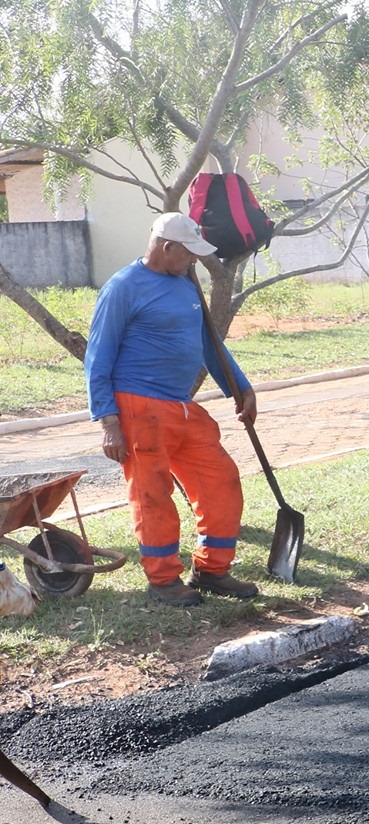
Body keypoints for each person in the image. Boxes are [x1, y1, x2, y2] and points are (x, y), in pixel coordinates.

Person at [86, 213, 261, 608]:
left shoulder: (184, 285)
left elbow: (209, 343)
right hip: (138, 408)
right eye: (189, 254)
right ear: (168, 248)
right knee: (153, 495)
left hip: (181, 409)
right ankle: (163, 579)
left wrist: (240, 386)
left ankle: (213, 570)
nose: (194, 261)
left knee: (222, 480)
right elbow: (98, 359)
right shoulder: (122, 288)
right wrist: (108, 421)